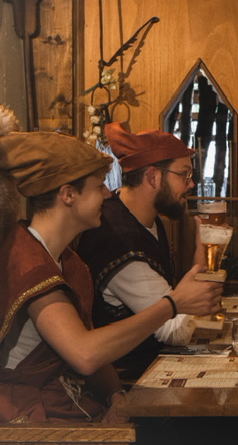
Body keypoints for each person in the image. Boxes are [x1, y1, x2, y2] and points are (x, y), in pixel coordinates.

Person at [0, 130, 221, 423]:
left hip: (68, 400)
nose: (108, 193)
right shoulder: (29, 262)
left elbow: (91, 343)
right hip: (27, 414)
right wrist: (171, 305)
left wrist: (115, 395)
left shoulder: (69, 261)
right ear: (68, 195)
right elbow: (84, 353)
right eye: (98, 186)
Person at [76, 121, 219, 378]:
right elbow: (176, 329)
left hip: (153, 366)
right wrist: (201, 258)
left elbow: (181, 302)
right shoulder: (119, 240)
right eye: (184, 175)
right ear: (153, 176)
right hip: (130, 382)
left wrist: (203, 247)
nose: (191, 184)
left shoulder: (142, 216)